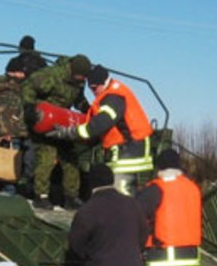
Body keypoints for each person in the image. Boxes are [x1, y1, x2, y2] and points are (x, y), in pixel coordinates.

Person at [49, 65, 154, 195]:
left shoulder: (113, 98)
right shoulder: (113, 93)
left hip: (129, 150)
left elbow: (100, 123)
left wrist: (69, 132)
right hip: (129, 148)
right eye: (90, 88)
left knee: (121, 192)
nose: (94, 91)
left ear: (104, 82)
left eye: (95, 87)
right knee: (124, 192)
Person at [22, 54, 91, 210]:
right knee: (47, 157)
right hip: (43, 119)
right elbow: (28, 86)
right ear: (74, 70)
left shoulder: (79, 82)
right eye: (81, 76)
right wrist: (29, 107)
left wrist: (89, 111)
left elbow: (79, 99)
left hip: (63, 121)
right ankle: (41, 196)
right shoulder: (52, 75)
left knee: (71, 159)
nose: (82, 80)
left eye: (84, 78)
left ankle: (71, 197)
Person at [0, 56, 32, 193]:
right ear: (14, 72)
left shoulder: (14, 87)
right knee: (10, 165)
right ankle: (9, 192)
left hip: (19, 130)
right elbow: (0, 112)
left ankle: (9, 188)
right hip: (11, 132)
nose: (24, 75)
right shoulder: (5, 89)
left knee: (15, 163)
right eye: (22, 72)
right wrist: (4, 132)